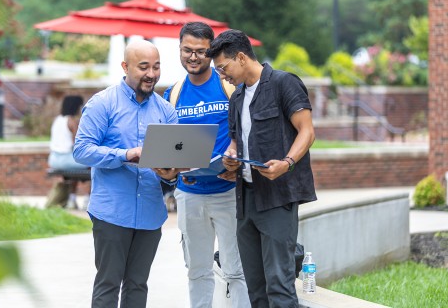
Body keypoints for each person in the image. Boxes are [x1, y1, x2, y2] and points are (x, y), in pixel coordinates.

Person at [206, 29, 318, 308]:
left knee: (279, 286)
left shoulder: (284, 83)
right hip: (246, 200)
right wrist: (230, 157)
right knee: (255, 288)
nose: (223, 75)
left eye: (223, 67)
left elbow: (307, 131)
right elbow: (235, 141)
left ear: (241, 57)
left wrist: (287, 163)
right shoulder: (237, 98)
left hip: (278, 198)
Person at [73, 40, 180, 308]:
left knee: (138, 284)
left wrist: (170, 174)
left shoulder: (166, 110)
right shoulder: (103, 103)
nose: (151, 74)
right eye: (143, 67)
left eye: (156, 67)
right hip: (112, 212)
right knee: (108, 283)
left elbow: (172, 166)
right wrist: (125, 155)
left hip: (150, 212)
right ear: (125, 66)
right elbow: (82, 151)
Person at [163, 22, 250, 308]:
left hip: (226, 191)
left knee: (236, 271)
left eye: (201, 51)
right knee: (197, 271)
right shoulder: (172, 95)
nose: (193, 57)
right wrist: (167, 166)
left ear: (211, 52)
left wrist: (236, 159)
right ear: (179, 49)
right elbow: (168, 146)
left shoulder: (227, 85)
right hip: (189, 193)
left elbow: (247, 131)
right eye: (187, 50)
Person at [47, 94, 87, 209]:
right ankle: (87, 199)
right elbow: (78, 145)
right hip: (67, 160)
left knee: (75, 169)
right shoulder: (72, 121)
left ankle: (71, 199)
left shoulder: (57, 120)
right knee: (94, 163)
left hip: (54, 159)